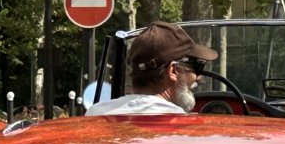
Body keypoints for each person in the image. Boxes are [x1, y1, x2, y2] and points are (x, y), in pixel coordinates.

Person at [85, 21, 217, 115]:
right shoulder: (179, 125)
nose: (198, 77)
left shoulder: (96, 114)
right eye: (196, 67)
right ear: (173, 71)